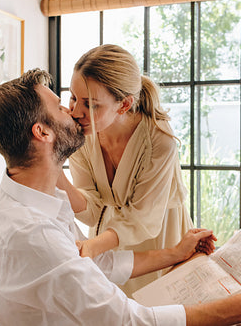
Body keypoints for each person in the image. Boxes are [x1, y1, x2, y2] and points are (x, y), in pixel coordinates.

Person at [0, 68, 241, 326]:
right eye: (61, 106)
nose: (73, 113)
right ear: (42, 133)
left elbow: (95, 264)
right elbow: (127, 321)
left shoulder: (16, 203)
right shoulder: (33, 232)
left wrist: (175, 252)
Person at [57, 44, 194, 296]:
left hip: (160, 238)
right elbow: (93, 211)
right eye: (73, 97)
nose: (76, 112)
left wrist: (90, 248)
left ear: (124, 104)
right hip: (107, 241)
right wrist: (55, 172)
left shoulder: (158, 140)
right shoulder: (81, 135)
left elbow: (141, 219)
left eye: (91, 105)